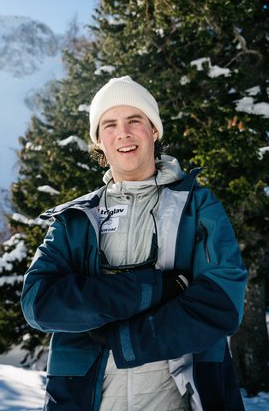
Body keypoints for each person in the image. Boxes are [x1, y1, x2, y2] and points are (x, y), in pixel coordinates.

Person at [21, 76, 248, 410]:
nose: (123, 133)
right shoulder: (76, 219)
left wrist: (123, 338)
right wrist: (156, 290)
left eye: (134, 120)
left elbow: (221, 303)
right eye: (109, 124)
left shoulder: (197, 205)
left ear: (154, 130)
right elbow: (38, 302)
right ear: (99, 140)